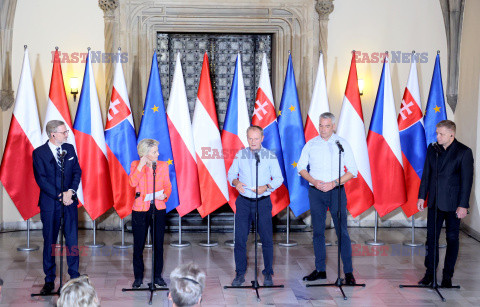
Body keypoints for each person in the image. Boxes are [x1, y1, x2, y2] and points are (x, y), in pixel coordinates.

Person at [297, 112, 358, 285]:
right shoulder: (311, 144)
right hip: (316, 192)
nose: (323, 129)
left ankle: (348, 273)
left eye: (327, 126)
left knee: (342, 232)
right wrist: (314, 181)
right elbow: (301, 167)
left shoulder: (341, 144)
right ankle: (320, 270)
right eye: (321, 126)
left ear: (333, 126)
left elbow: (353, 170)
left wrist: (333, 183)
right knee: (317, 231)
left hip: (336, 191)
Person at [417, 120, 473, 288]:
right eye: (437, 133)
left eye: (441, 134)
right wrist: (422, 196)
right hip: (434, 202)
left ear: (451, 134)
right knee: (431, 239)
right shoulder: (432, 149)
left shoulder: (464, 152)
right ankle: (429, 274)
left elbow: (466, 181)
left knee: (452, 238)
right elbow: (426, 173)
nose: (438, 137)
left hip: (454, 204)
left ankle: (447, 276)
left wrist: (463, 205)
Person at [227, 125, 284, 287]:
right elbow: (231, 174)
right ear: (247, 138)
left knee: (266, 239)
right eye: (250, 138)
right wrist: (236, 182)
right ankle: (239, 273)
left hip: (263, 202)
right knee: (240, 239)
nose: (253, 141)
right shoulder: (240, 155)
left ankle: (267, 273)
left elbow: (278, 178)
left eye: (256, 138)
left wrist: (266, 186)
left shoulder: (269, 156)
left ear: (262, 138)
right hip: (244, 202)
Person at [32, 120, 82, 294]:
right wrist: (61, 196)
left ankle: (74, 277)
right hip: (50, 204)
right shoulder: (39, 153)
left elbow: (77, 171)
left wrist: (70, 191)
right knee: (50, 242)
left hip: (69, 202)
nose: (67, 134)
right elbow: (42, 180)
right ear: (53, 134)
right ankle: (49, 280)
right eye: (64, 132)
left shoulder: (70, 149)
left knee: (72, 241)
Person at [129, 138, 172, 288]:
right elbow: (132, 183)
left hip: (158, 208)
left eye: (157, 151)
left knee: (158, 245)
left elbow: (168, 186)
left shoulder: (162, 166)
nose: (158, 154)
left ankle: (157, 276)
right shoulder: (135, 165)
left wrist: (165, 195)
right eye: (154, 152)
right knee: (138, 245)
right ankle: (138, 277)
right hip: (140, 210)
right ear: (145, 154)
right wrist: (141, 165)